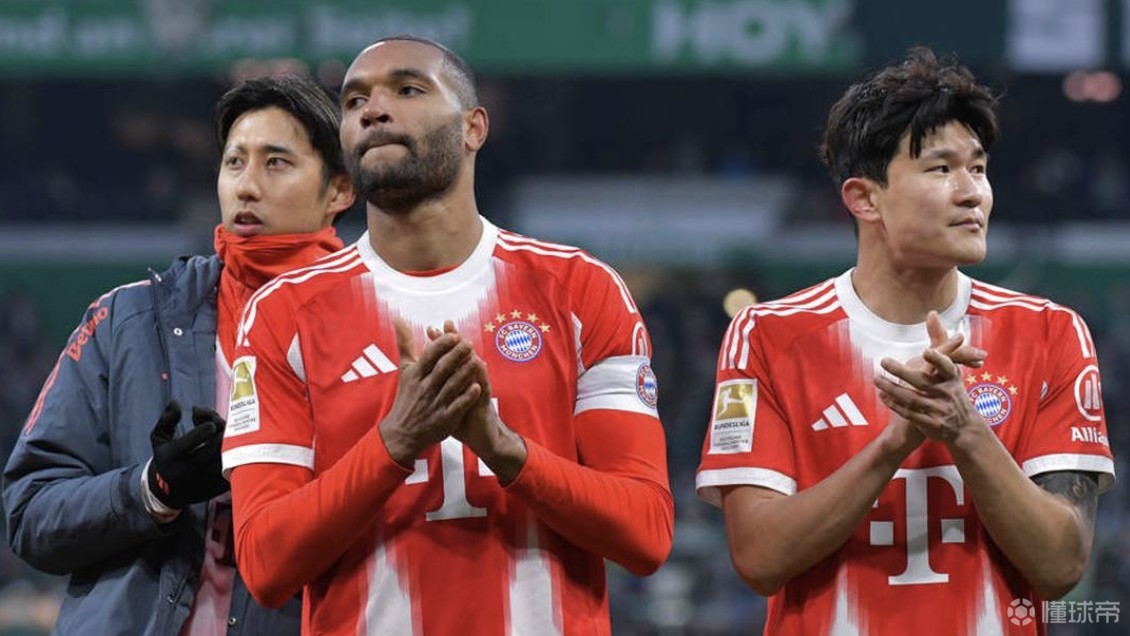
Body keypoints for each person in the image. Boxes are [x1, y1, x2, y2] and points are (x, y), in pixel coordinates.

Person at [221, 35, 674, 635]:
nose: (373, 110)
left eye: (407, 89)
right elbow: (264, 564)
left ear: (473, 128)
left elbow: (646, 534)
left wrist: (504, 450)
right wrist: (395, 442)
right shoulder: (284, 313)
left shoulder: (579, 290)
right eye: (354, 101)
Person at [696, 47, 1115, 635]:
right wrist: (896, 441)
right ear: (864, 198)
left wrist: (964, 430)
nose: (972, 193)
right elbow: (759, 558)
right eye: (942, 170)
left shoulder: (1050, 333)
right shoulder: (767, 335)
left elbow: (1061, 566)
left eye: (979, 169)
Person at [3, 75, 356, 635]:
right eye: (234, 162)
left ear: (339, 190)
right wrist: (152, 489)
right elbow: (30, 512)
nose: (247, 186)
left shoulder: (373, 332)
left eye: (276, 163)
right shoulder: (126, 321)